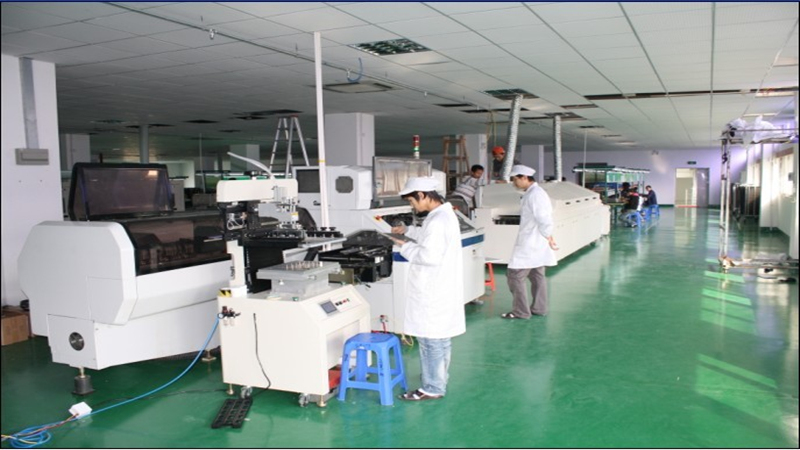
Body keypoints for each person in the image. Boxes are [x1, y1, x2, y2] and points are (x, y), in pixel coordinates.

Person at [387, 177, 465, 401]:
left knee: (431, 341)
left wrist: (404, 246)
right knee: (440, 339)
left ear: (422, 195)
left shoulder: (438, 220)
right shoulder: (441, 215)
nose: (412, 205)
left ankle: (432, 387)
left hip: (433, 289)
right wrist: (408, 230)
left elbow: (428, 256)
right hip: (440, 286)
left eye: (412, 201)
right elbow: (428, 236)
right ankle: (439, 378)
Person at [500, 165, 559, 320]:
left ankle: (521, 311)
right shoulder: (532, 193)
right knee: (537, 276)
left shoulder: (536, 195)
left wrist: (549, 236)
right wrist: (547, 236)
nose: (514, 183)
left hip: (531, 242)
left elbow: (544, 218)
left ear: (524, 178)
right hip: (536, 242)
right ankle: (539, 308)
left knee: (514, 276)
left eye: (515, 179)